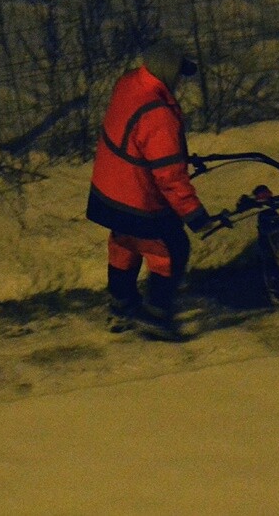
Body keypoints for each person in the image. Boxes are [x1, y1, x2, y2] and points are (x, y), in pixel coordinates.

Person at [86, 39, 210, 340]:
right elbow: (169, 176)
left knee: (125, 243)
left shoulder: (129, 83)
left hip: (108, 191)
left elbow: (138, 140)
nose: (180, 80)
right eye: (179, 73)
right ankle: (156, 313)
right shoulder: (158, 112)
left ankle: (122, 303)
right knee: (171, 248)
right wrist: (195, 215)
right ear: (168, 72)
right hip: (136, 200)